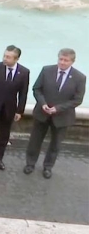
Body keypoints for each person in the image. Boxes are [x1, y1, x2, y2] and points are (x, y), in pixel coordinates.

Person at [24, 48, 86, 179]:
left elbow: (77, 99)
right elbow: (37, 89)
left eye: (66, 60)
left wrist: (58, 108)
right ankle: (30, 163)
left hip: (62, 117)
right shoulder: (47, 70)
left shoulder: (80, 77)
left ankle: (48, 167)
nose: (62, 62)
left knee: (55, 144)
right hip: (42, 113)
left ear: (72, 62)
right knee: (35, 140)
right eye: (61, 59)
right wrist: (43, 104)